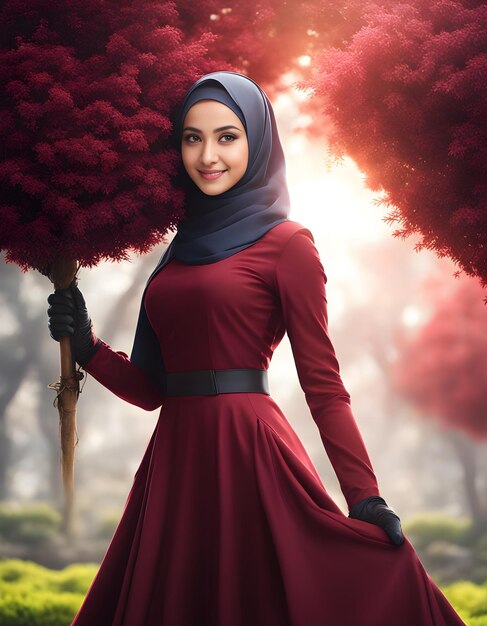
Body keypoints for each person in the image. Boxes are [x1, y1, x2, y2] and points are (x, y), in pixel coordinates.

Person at [47, 71, 466, 626]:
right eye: (192, 138)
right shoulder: (176, 250)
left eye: (227, 136)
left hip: (251, 453)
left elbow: (323, 383)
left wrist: (364, 495)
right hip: (175, 461)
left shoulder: (288, 245)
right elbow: (152, 390)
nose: (207, 155)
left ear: (258, 141)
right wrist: (86, 344)